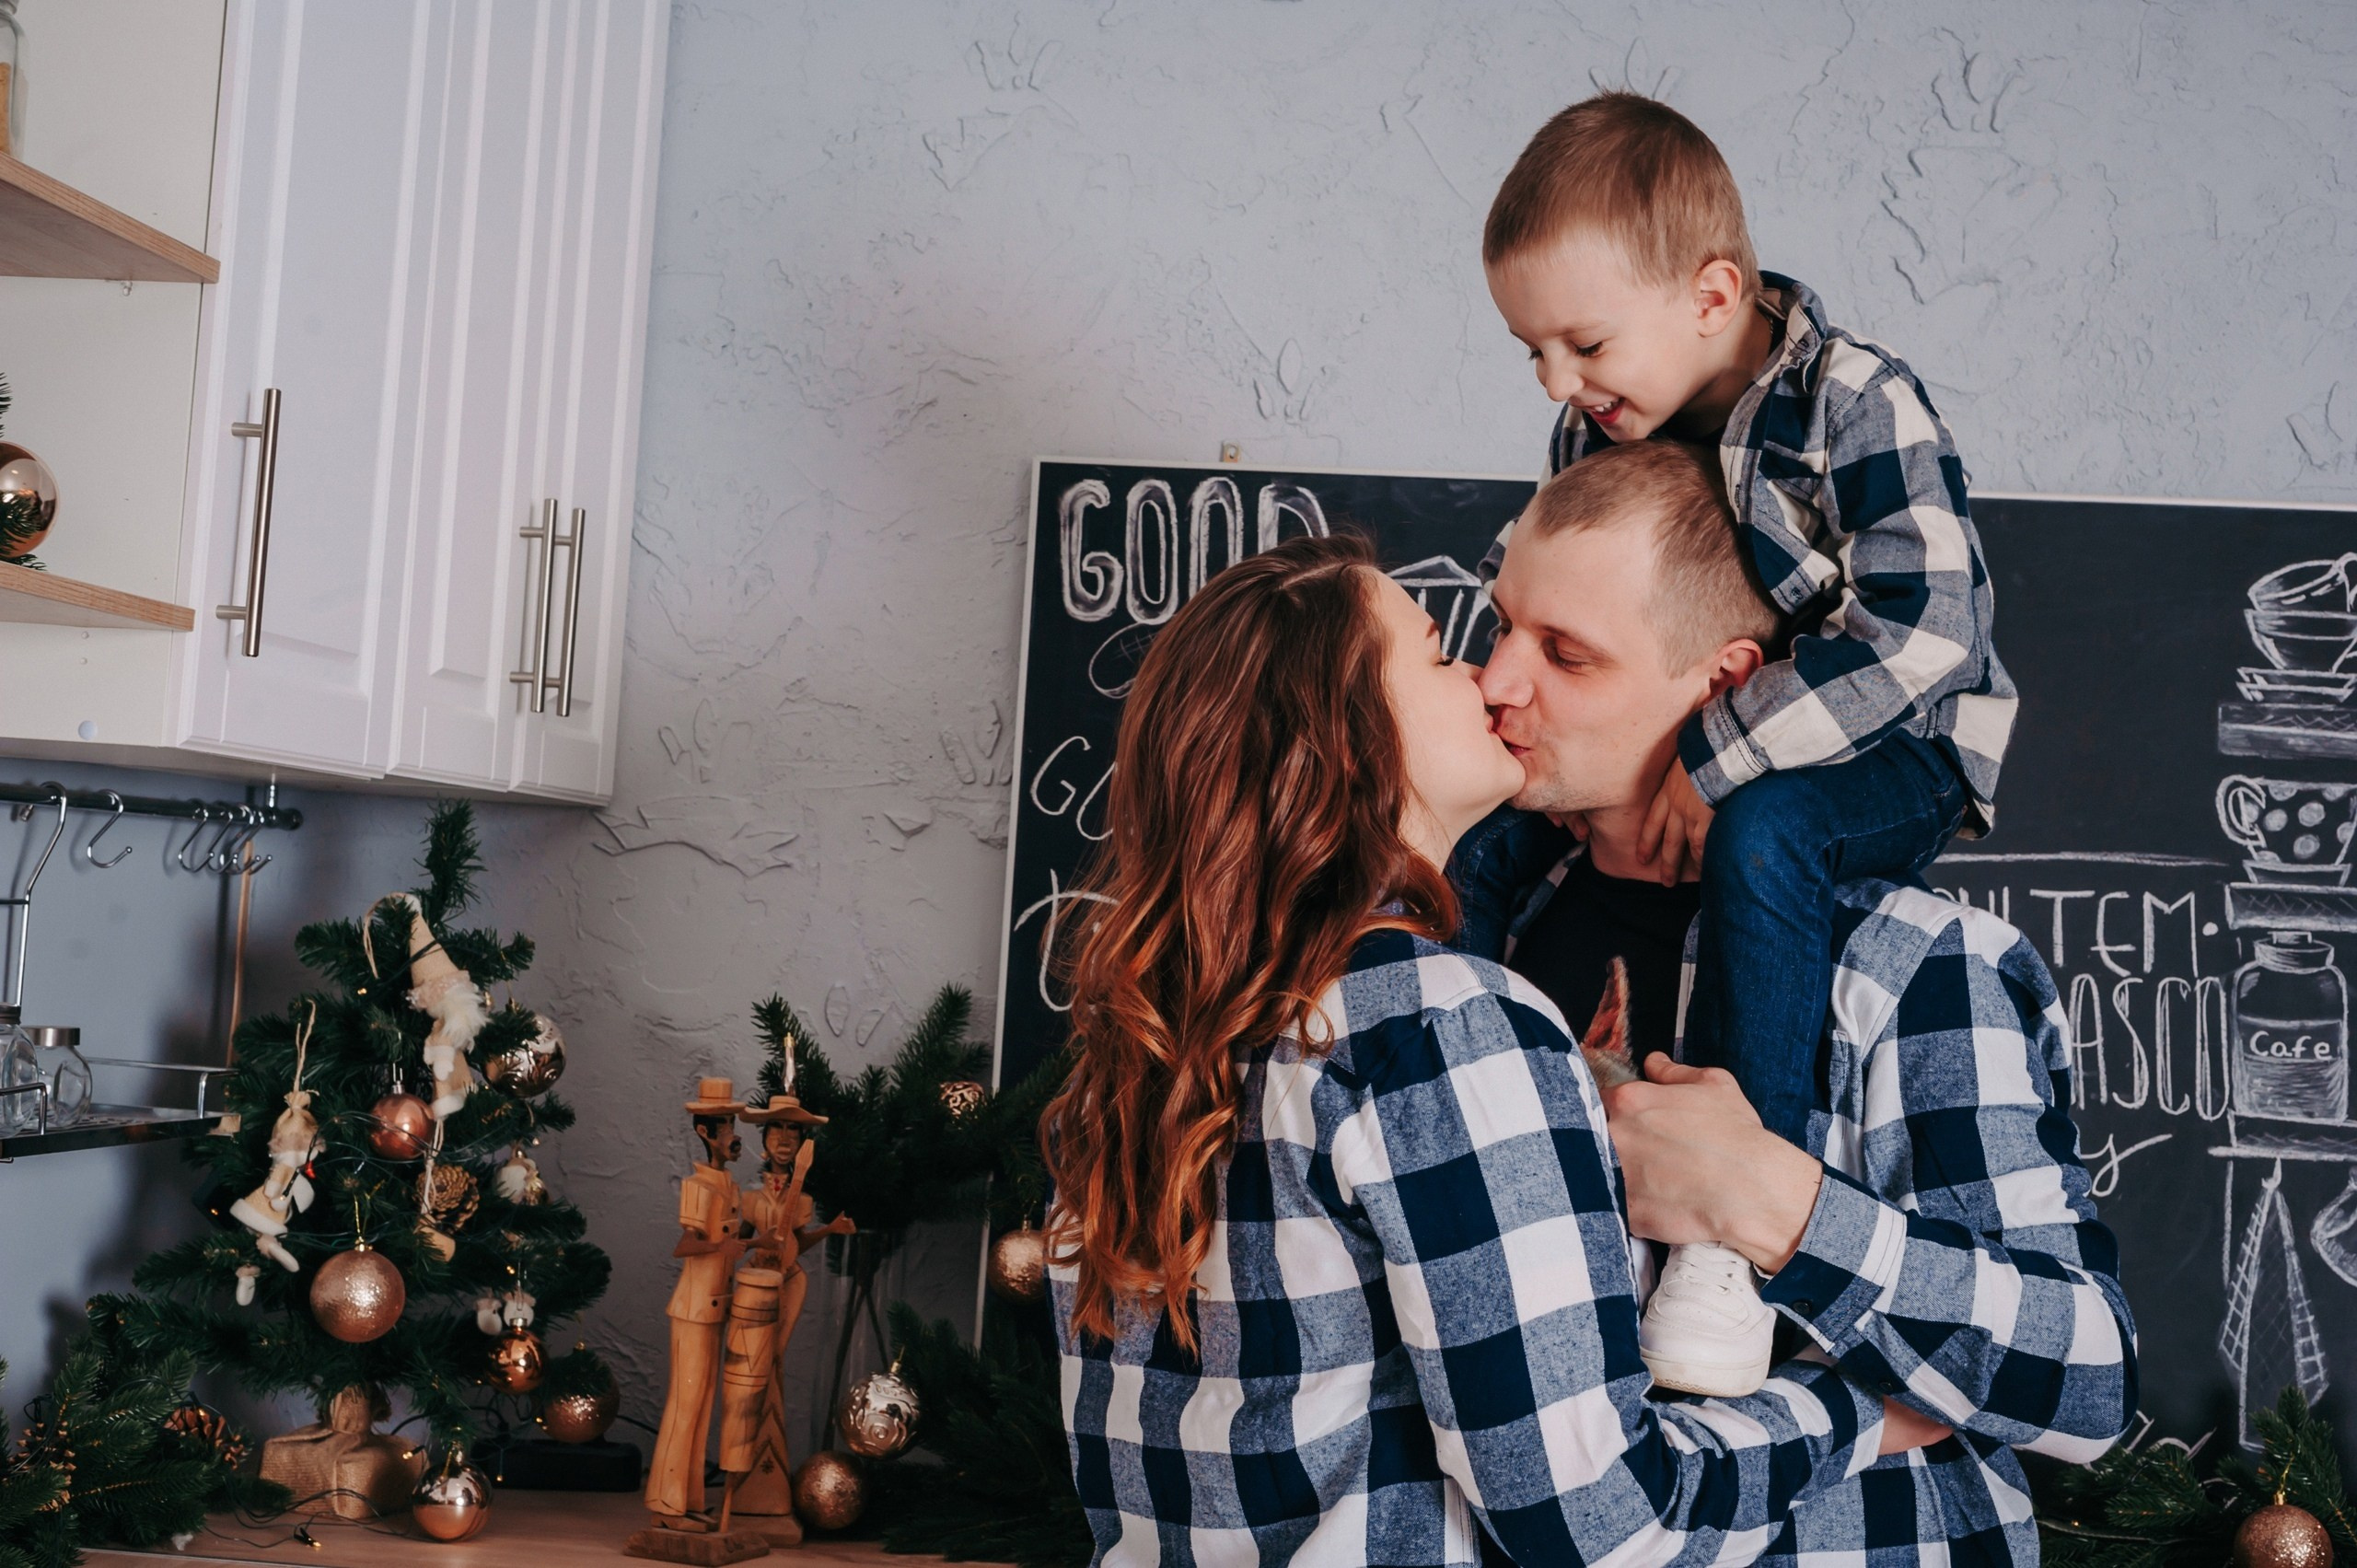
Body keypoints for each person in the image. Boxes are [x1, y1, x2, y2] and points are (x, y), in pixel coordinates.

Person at [1040, 533, 1944, 1568]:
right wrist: (1853, 1406)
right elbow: (1598, 1525)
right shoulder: (1444, 1023)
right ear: (1347, 743)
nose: (1488, 677)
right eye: (1437, 654)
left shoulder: (1129, 1061)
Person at [1477, 443, 2136, 1564]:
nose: (1497, 679)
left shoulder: (1912, 965)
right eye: (1499, 625)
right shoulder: (1482, 930)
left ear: (1729, 680)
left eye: (1566, 655)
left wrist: (1778, 1207)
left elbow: (2087, 1378)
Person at [1464, 89, 2020, 1389]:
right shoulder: (1599, 421)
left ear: (1714, 296)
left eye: (1582, 341)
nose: (1559, 384)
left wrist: (1716, 755)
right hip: (1741, 721)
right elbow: (1552, 578)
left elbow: (1925, 630)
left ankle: (1729, 1224)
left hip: (1904, 740)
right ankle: (1430, 1096)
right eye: (1531, 352)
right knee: (1486, 827)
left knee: (1768, 836)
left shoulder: (1857, 399)